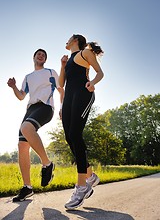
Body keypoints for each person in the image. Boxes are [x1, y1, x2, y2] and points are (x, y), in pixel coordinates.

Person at [7, 49, 64, 202]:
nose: (41, 56)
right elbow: (21, 96)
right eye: (38, 54)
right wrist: (13, 87)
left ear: (45, 60)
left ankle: (47, 164)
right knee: (22, 145)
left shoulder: (51, 72)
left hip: (45, 107)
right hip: (31, 109)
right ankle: (27, 187)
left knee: (26, 128)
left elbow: (60, 89)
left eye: (44, 55)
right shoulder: (28, 77)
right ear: (34, 57)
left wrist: (62, 107)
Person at [59, 34, 104, 209]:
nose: (66, 40)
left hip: (83, 93)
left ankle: (82, 186)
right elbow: (61, 83)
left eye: (68, 38)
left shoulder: (85, 53)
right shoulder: (69, 60)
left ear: (75, 40)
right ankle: (90, 176)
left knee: (76, 134)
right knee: (69, 138)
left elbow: (100, 72)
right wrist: (62, 65)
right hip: (69, 98)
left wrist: (92, 83)